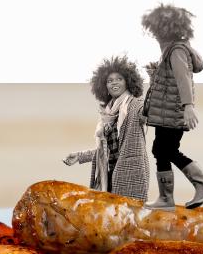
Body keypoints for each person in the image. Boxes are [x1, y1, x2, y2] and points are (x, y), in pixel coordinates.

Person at [141, 3, 203, 210]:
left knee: (166, 150)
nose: (155, 36)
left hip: (172, 113)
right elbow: (173, 80)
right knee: (162, 150)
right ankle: (167, 198)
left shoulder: (176, 51)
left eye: (156, 32)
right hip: (167, 112)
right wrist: (156, 73)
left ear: (165, 31)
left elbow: (183, 79)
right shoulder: (173, 51)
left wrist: (188, 106)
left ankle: (201, 187)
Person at [64, 56, 149, 202]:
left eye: (119, 79)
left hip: (130, 177)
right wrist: (79, 156)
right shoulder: (106, 115)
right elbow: (106, 151)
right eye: (110, 80)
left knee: (128, 221)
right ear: (105, 87)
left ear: (128, 82)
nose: (114, 82)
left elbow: (147, 112)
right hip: (108, 177)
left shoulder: (135, 105)